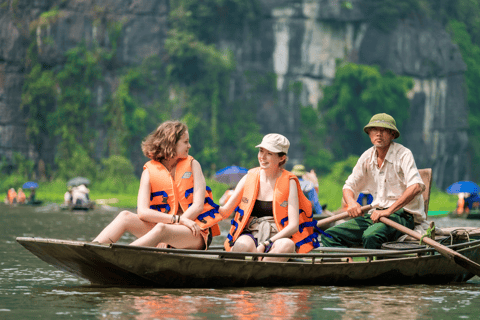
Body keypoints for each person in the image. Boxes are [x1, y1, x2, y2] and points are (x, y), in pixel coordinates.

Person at [93, 120, 222, 250]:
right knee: (124, 216)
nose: (189, 146)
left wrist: (169, 232)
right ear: (171, 143)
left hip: (196, 232)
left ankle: (117, 256)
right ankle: (92, 249)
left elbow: (198, 206)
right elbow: (143, 212)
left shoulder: (194, 165)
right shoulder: (149, 172)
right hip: (165, 230)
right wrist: (176, 221)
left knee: (162, 228)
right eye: (185, 142)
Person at [321, 113, 426, 249]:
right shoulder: (367, 157)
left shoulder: (403, 154)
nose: (379, 134)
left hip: (402, 215)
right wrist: (352, 202)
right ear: (369, 134)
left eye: (383, 130)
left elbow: (416, 186)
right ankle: (347, 265)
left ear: (392, 135)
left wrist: (388, 211)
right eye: (375, 130)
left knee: (371, 236)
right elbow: (349, 186)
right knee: (329, 235)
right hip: (376, 214)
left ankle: (374, 268)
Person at [217, 134, 320, 262]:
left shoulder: (289, 182)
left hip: (277, 235)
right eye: (261, 151)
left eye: (269, 153)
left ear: (281, 158)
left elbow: (293, 226)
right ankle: (245, 273)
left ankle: (262, 272)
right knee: (241, 245)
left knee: (287, 245)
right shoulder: (249, 177)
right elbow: (225, 211)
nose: (262, 157)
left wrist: (265, 244)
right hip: (252, 232)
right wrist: (204, 207)